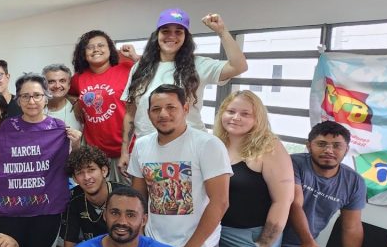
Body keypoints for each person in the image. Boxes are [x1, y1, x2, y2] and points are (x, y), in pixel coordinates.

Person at [120, 10, 248, 174]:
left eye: (178, 32)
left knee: (186, 191)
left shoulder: (197, 65)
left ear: (185, 37)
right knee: (148, 191)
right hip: (148, 149)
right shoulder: (140, 68)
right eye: (166, 31)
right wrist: (125, 151)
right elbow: (130, 113)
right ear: (157, 35)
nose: (171, 36)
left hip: (188, 150)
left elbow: (239, 66)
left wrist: (222, 31)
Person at [128, 85, 232, 247]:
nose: (163, 114)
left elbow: (220, 202)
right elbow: (138, 197)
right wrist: (141, 234)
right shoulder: (141, 145)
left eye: (171, 107)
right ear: (149, 113)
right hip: (153, 243)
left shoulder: (208, 145)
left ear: (185, 109)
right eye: (156, 109)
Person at [212, 91, 294, 247]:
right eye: (231, 111)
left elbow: (283, 200)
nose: (236, 117)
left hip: (248, 242)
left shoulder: (269, 146)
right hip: (213, 235)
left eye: (245, 114)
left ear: (258, 119)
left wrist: (264, 244)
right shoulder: (215, 143)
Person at [0, 74, 73, 247]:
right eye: (25, 96)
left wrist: (75, 144)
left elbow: (68, 165)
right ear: (18, 100)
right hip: (12, 209)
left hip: (45, 209)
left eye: (37, 95)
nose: (31, 101)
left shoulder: (58, 127)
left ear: (46, 98)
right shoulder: (7, 126)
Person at [276, 121, 369, 247]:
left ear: (346, 149)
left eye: (337, 146)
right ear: (309, 146)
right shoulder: (292, 163)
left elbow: (351, 227)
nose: (329, 150)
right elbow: (294, 204)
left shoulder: (354, 182)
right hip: (270, 239)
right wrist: (308, 242)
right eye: (321, 144)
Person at [73, 185, 203, 247]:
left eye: (131, 215)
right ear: (105, 215)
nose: (122, 221)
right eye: (115, 213)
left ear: (143, 220)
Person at [69, 30, 137, 184]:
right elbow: (68, 92)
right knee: (102, 194)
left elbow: (156, 71)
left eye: (101, 45)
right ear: (83, 53)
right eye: (90, 47)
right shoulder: (79, 78)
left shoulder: (126, 68)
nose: (96, 49)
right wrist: (76, 101)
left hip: (127, 150)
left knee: (129, 194)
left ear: (110, 49)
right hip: (96, 153)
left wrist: (135, 57)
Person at [61, 144, 128, 247]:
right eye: (80, 172)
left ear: (104, 171)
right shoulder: (73, 199)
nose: (86, 177)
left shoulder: (125, 196)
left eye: (91, 170)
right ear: (75, 178)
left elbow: (138, 240)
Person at [42, 64, 82, 133]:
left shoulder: (79, 109)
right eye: (51, 81)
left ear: (69, 85)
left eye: (62, 81)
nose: (57, 86)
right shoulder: (36, 110)